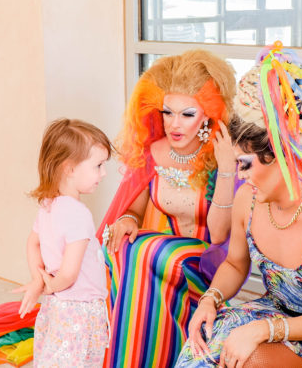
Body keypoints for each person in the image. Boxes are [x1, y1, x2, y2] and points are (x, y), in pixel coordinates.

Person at [177, 43, 302, 368]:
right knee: (202, 349)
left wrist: (263, 330)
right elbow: (234, 264)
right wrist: (209, 299)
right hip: (280, 316)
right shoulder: (247, 199)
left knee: (251, 357)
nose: (240, 175)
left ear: (283, 159)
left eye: (244, 164)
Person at [98, 49, 238, 367]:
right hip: (164, 256)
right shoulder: (154, 152)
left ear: (208, 115)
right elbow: (133, 209)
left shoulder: (222, 157)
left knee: (150, 250)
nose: (174, 124)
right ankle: (145, 353)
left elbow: (219, 235)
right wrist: (126, 219)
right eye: (167, 112)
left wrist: (228, 169)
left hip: (209, 264)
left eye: (187, 114)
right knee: (121, 246)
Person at [13, 119, 112, 367]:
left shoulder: (48, 204)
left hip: (58, 307)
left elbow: (32, 243)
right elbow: (69, 274)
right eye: (98, 166)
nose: (104, 173)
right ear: (69, 168)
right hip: (81, 311)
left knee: (55, 358)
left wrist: (39, 279)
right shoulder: (78, 214)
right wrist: (50, 285)